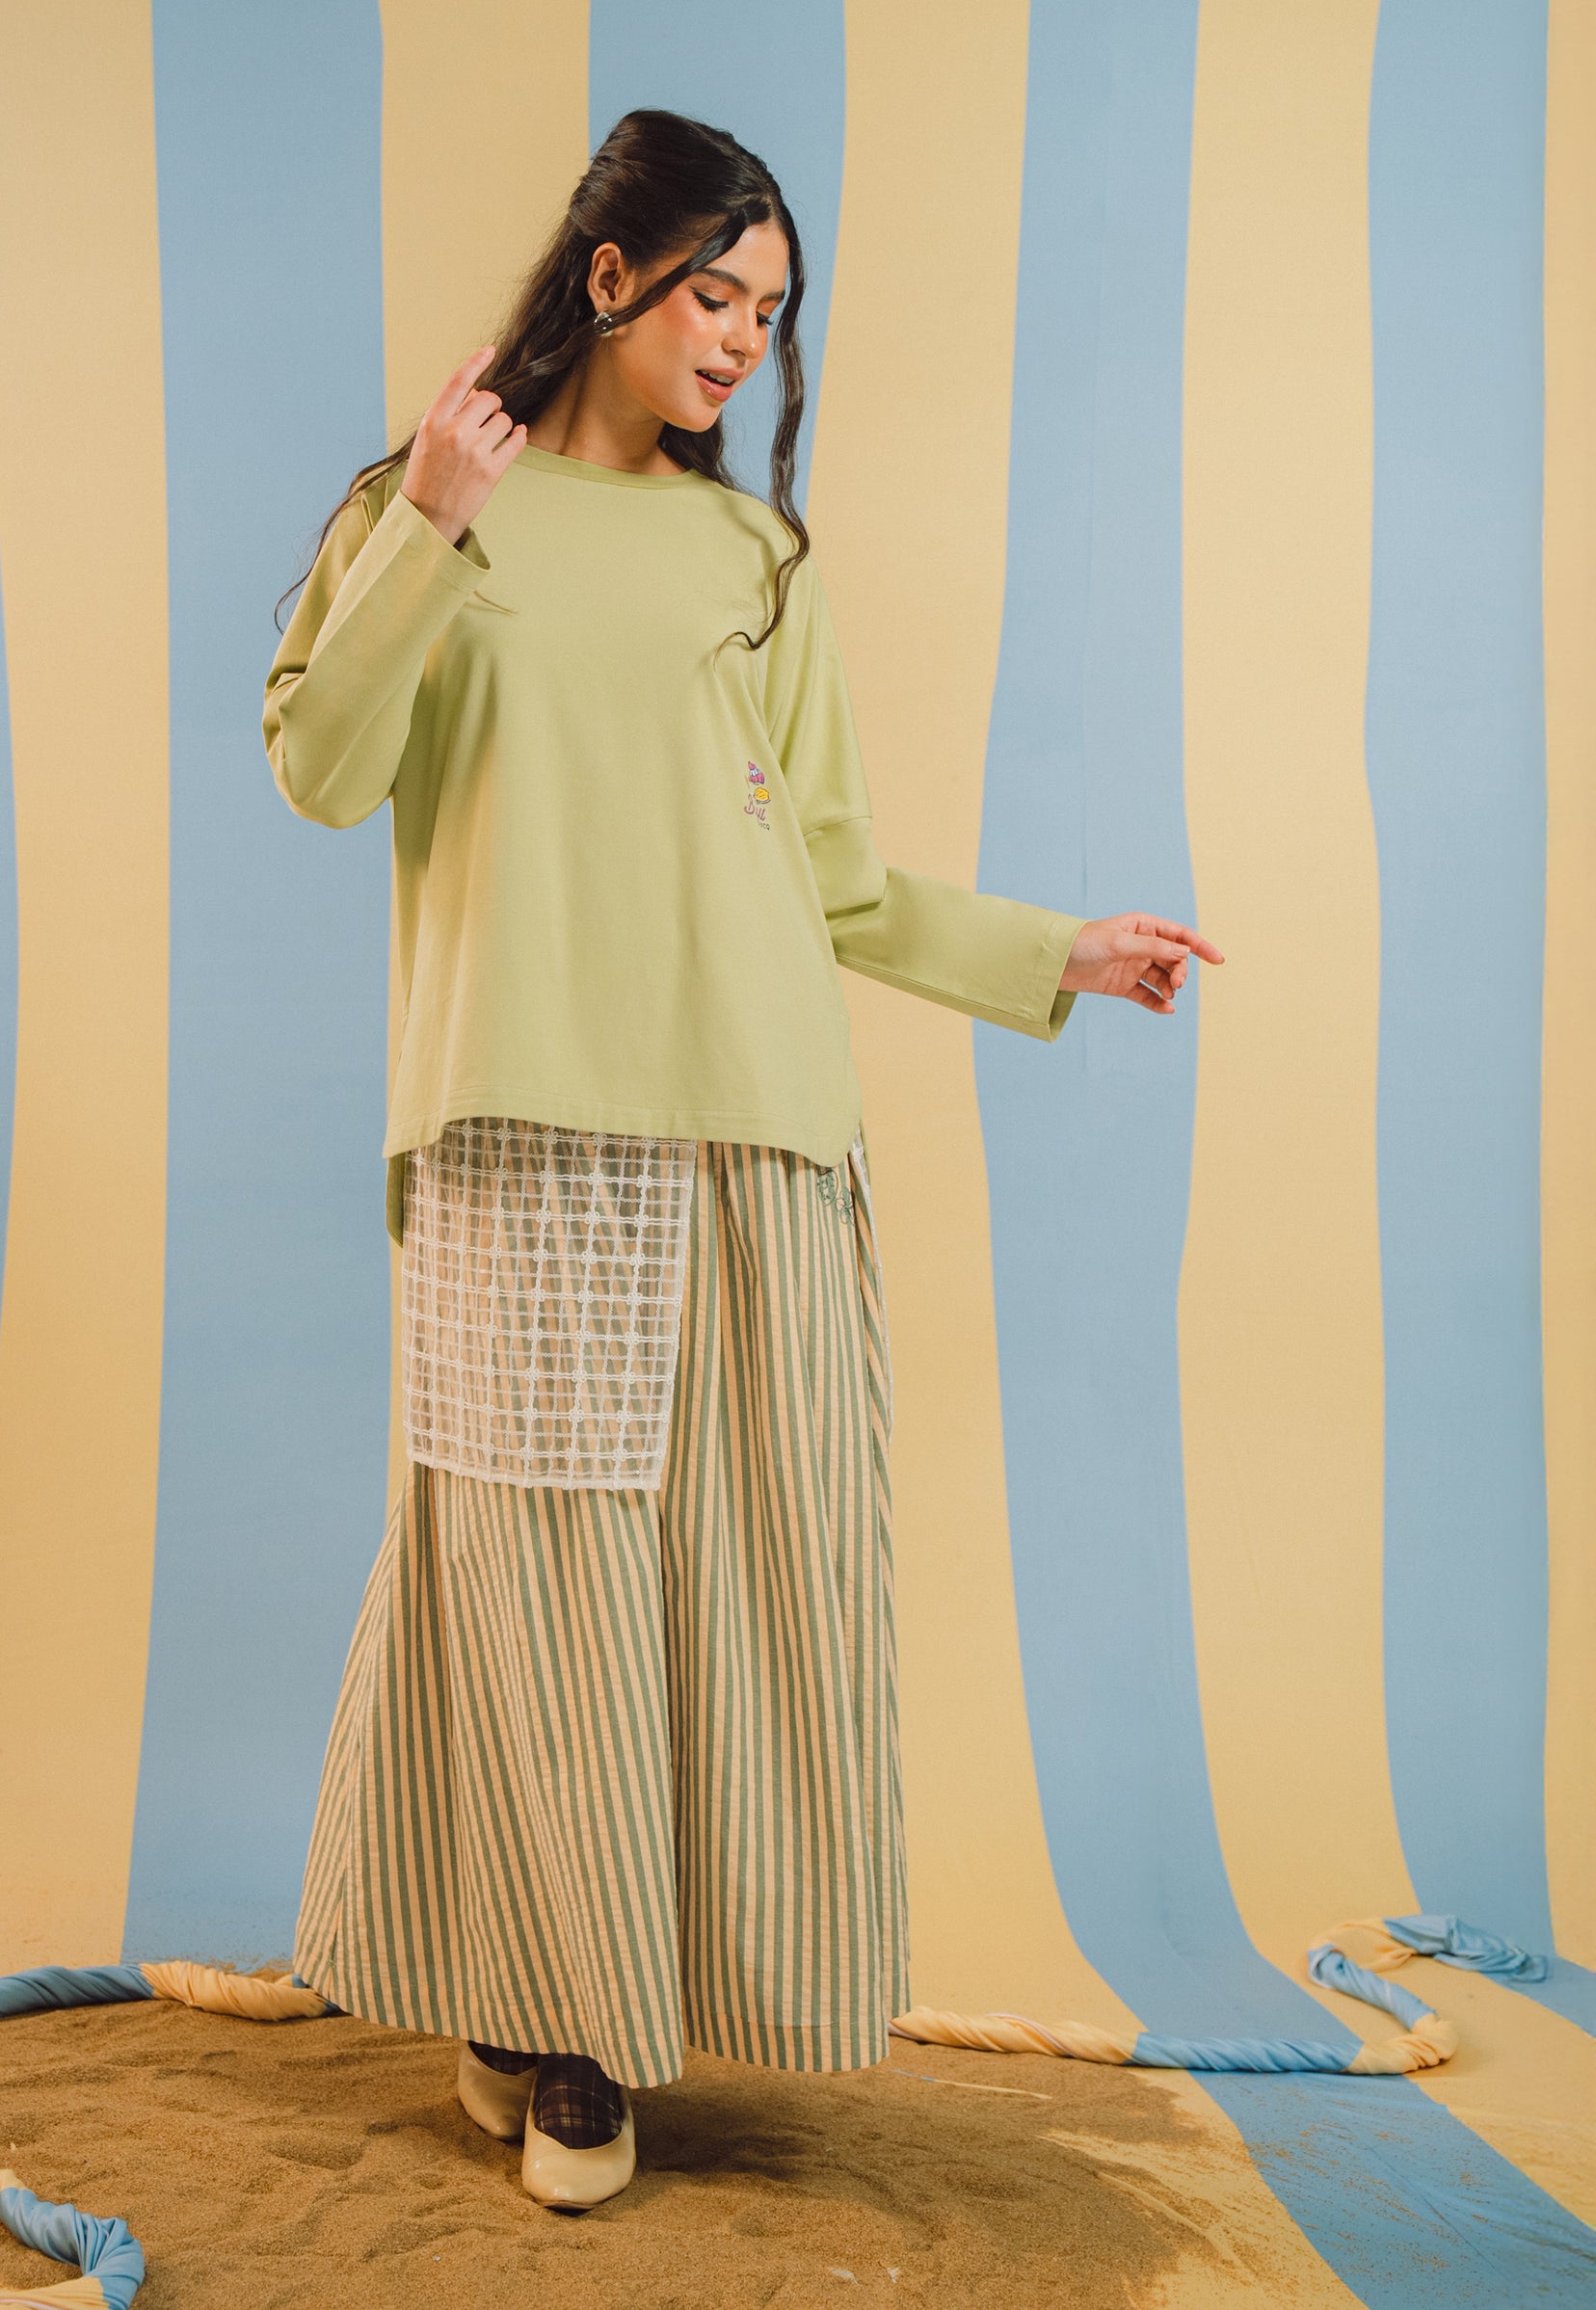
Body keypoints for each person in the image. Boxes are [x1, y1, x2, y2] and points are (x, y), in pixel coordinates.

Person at [261, 108, 1220, 2213]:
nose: (739, 344)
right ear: (610, 275)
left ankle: (564, 2014)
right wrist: (427, 526)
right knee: (530, 1584)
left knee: (717, 1595)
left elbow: (836, 881)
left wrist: (1056, 952)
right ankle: (567, 2017)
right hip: (520, 1129)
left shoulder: (751, 562)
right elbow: (322, 768)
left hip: (757, 1133)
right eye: (715, 295)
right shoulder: (427, 508)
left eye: (770, 315)